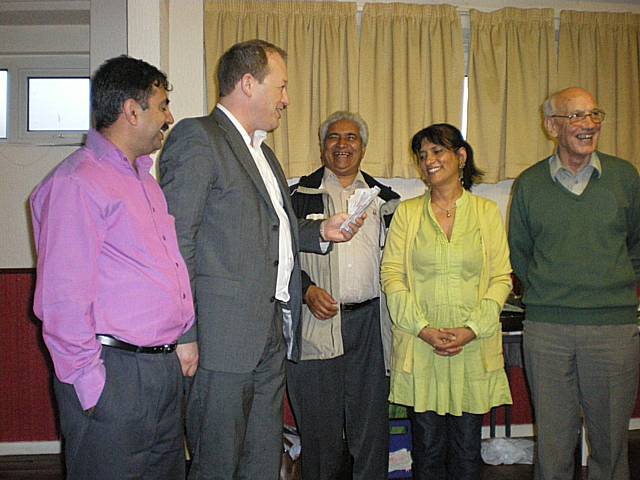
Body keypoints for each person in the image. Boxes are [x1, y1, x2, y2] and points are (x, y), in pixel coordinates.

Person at [159, 40, 364, 480]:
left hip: (271, 330)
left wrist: (322, 231)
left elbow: (274, 231)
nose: (287, 99)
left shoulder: (264, 152)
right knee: (217, 462)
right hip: (220, 339)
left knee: (261, 460)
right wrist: (184, 332)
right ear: (248, 84)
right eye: (282, 87)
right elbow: (175, 242)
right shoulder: (199, 138)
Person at [30, 55, 195, 479]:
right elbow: (62, 302)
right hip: (114, 374)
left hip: (160, 371)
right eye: (162, 106)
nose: (169, 117)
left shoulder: (146, 182)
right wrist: (92, 387)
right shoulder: (77, 182)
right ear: (131, 110)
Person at [509, 87, 640, 480]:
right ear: (552, 126)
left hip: (612, 328)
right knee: (552, 441)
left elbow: (636, 244)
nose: (589, 125)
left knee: (611, 442)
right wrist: (550, 293)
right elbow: (520, 252)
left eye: (594, 115)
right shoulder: (530, 183)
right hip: (548, 329)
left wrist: (612, 286)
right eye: (577, 116)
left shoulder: (625, 177)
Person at [381, 123, 512, 480]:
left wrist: (472, 329)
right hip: (422, 349)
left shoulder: (486, 213)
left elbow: (501, 277)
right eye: (422, 155)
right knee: (426, 449)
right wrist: (422, 329)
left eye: (437, 151)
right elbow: (392, 276)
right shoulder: (407, 214)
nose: (428, 161)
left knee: (467, 450)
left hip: (472, 348)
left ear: (461, 156)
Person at [286, 111, 400, 479]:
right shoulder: (299, 196)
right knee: (320, 435)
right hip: (317, 326)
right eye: (333, 137)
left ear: (363, 147)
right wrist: (305, 290)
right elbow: (275, 257)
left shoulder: (387, 201)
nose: (342, 144)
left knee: (370, 432)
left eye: (351, 138)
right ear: (322, 147)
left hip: (370, 325)